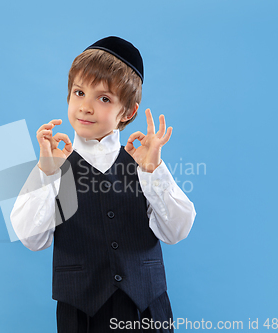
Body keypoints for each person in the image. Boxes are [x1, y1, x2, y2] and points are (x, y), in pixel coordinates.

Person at [11, 36, 196, 333]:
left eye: (104, 98)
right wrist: (47, 172)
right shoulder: (54, 167)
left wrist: (154, 171)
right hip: (81, 316)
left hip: (146, 310)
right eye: (79, 92)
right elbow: (32, 239)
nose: (85, 107)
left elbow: (177, 230)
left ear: (128, 112)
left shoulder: (144, 164)